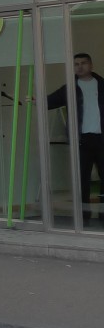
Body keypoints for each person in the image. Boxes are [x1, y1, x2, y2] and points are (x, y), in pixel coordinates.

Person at [47, 53, 104, 226]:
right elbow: (50, 101)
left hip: (102, 139)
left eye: (83, 63)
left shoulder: (102, 85)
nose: (79, 66)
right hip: (81, 140)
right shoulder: (70, 87)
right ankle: (83, 217)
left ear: (91, 65)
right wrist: (34, 100)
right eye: (76, 64)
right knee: (82, 180)